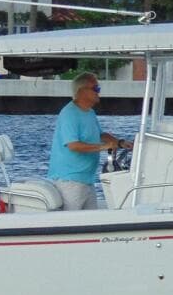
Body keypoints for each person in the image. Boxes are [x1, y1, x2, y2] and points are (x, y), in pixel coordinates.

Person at [47, 73, 131, 210]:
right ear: (82, 91)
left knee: (90, 219)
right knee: (71, 223)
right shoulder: (69, 114)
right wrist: (104, 147)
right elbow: (73, 145)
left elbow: (100, 134)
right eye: (96, 89)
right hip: (71, 180)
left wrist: (120, 143)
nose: (99, 92)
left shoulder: (89, 112)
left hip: (87, 179)